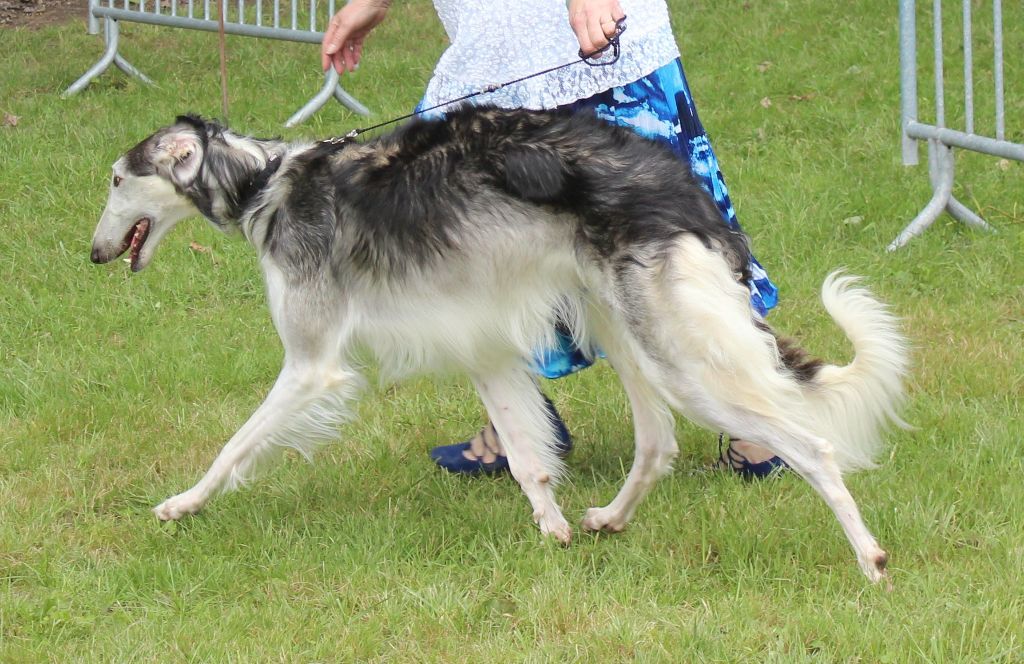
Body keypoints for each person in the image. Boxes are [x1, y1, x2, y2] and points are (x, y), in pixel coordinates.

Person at [321, 0, 787, 479]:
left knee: (673, 239)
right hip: (495, 43)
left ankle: (759, 424)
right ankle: (519, 424)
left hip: (584, 37)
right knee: (480, 249)